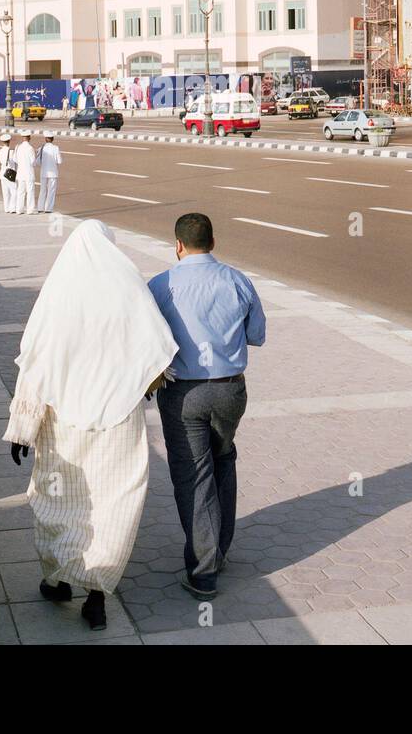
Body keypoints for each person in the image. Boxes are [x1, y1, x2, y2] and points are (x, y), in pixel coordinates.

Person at [3, 219, 178, 631]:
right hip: (118, 422)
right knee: (111, 502)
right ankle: (97, 594)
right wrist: (139, 384)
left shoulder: (58, 295)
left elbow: (35, 365)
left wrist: (22, 429)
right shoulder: (128, 288)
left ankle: (58, 580)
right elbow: (157, 352)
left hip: (62, 422)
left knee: (58, 500)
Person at [148, 212, 266, 601]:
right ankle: (219, 550)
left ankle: (203, 572)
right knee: (223, 459)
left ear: (178, 245)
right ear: (213, 243)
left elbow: (147, 341)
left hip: (183, 394)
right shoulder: (237, 280)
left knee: (193, 475)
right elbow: (256, 336)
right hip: (230, 391)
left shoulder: (160, 285)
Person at [13, 131, 37, 214]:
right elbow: (33, 161)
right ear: (29, 138)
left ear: (23, 138)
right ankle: (30, 210)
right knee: (30, 191)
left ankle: (19, 209)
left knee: (20, 191)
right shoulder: (30, 148)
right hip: (29, 173)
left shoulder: (18, 147)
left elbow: (15, 160)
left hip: (20, 173)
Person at [38, 133, 62, 212]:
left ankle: (40, 208)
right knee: (51, 190)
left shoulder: (41, 148)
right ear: (53, 139)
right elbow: (59, 161)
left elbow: (38, 161)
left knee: (42, 190)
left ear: (45, 139)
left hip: (44, 172)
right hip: (53, 172)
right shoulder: (56, 148)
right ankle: (48, 208)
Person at [0, 131, 16, 212]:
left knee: (5, 193)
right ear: (9, 141)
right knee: (14, 191)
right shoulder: (11, 151)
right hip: (10, 173)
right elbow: (15, 161)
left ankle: (6, 208)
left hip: (2, 173)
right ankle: (12, 208)